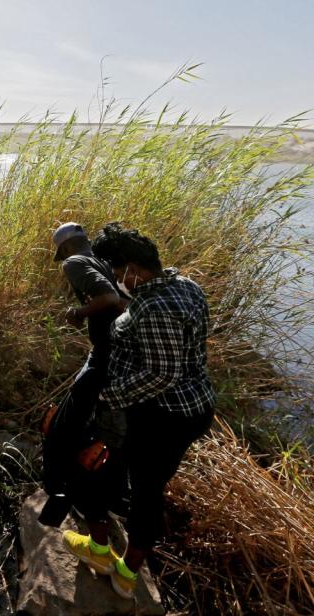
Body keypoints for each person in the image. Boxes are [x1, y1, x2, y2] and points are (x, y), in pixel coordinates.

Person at [61, 223, 216, 600]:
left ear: (131, 268)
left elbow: (162, 374)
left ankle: (115, 566)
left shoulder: (156, 305)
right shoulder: (184, 285)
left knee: (127, 483)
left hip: (163, 414)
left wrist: (109, 396)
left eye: (116, 273)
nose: (115, 281)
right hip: (188, 408)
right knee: (142, 485)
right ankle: (122, 568)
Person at [40, 223, 127, 525]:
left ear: (64, 248)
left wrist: (77, 313)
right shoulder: (105, 261)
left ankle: (59, 490)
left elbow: (109, 299)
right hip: (117, 354)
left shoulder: (74, 262)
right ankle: (109, 495)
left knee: (67, 422)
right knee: (97, 422)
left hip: (107, 355)